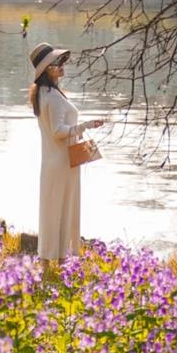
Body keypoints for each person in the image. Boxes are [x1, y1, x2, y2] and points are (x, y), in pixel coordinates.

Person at [28, 41, 104, 262]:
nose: (62, 66)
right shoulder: (52, 96)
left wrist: (78, 132)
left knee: (53, 209)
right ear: (47, 69)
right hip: (63, 161)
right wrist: (86, 126)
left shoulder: (42, 93)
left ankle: (53, 257)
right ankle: (62, 258)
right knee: (65, 208)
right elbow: (58, 132)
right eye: (57, 63)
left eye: (61, 61)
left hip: (54, 161)